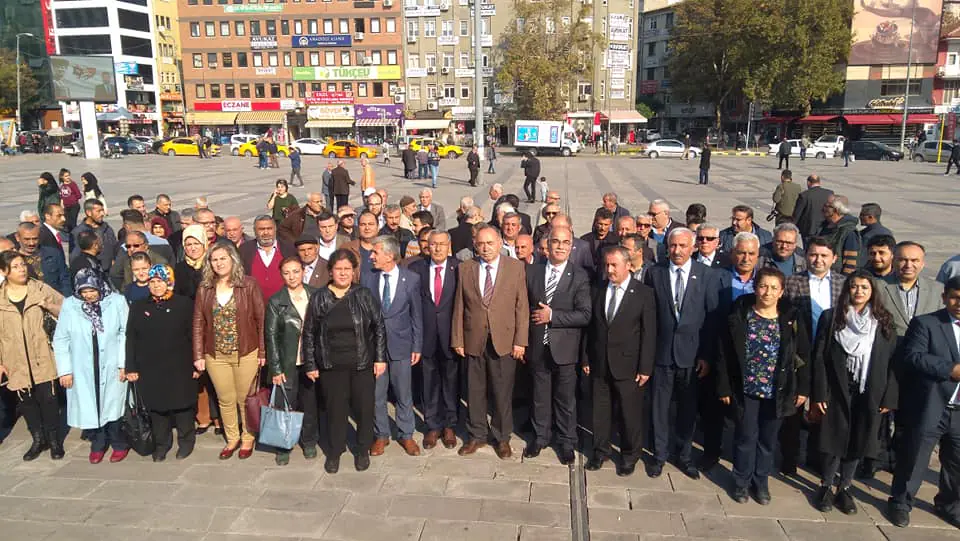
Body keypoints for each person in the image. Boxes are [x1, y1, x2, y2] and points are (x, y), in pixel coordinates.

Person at [716, 267, 810, 504]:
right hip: (745, 389)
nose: (767, 292)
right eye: (763, 286)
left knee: (768, 440)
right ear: (755, 288)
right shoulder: (740, 314)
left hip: (776, 389)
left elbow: (804, 354)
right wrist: (724, 387)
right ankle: (740, 482)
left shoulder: (790, 318)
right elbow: (724, 353)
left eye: (773, 288)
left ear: (781, 292)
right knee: (746, 436)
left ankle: (761, 482)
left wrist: (802, 389)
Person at [812, 271, 897, 515]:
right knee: (833, 439)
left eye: (864, 287)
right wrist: (819, 394)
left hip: (868, 389)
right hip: (837, 388)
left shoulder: (882, 321)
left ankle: (845, 487)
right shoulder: (832, 318)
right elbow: (819, 357)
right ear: (847, 289)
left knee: (858, 440)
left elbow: (892, 362)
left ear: (872, 293)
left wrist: (888, 396)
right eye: (854, 286)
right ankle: (826, 485)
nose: (859, 291)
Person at [643, 227, 721, 479]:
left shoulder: (707, 275)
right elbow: (648, 316)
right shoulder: (655, 273)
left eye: (682, 246)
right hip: (662, 353)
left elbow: (711, 319)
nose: (676, 251)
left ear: (694, 247)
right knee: (659, 408)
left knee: (688, 410)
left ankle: (685, 455)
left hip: (692, 355)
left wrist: (706, 356)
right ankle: (659, 455)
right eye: (672, 246)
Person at [301, 249, 386, 473]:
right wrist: (310, 363)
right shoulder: (320, 297)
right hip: (331, 366)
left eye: (347, 269)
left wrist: (380, 358)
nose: (343, 273)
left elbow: (378, 326)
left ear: (354, 271)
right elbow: (309, 332)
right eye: (338, 269)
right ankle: (335, 451)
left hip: (362, 363)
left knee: (364, 409)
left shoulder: (364, 294)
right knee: (335, 410)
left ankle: (362, 449)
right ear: (330, 271)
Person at [887, 275, 960, 528]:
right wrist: (950, 369)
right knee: (915, 457)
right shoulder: (927, 323)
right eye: (954, 297)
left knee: (956, 463)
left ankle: (949, 504)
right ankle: (900, 502)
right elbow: (914, 356)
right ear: (944, 297)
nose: (959, 303)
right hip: (933, 404)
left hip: (959, 411)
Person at [452, 225, 529, 458]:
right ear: (475, 245)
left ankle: (502, 437)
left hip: (504, 339)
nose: (485, 248)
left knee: (502, 391)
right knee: (475, 390)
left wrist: (520, 341)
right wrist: (458, 338)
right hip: (473, 337)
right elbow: (459, 305)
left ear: (499, 243)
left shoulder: (515, 268)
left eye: (490, 243)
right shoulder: (466, 268)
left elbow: (521, 307)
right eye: (481, 244)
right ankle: (477, 435)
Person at [525, 226, 593, 465]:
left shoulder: (580, 275)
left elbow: (585, 314)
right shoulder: (532, 272)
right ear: (547, 245)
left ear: (572, 245)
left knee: (565, 399)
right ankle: (541, 437)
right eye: (556, 242)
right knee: (540, 397)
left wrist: (553, 316)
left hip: (565, 349)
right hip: (537, 347)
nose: (561, 246)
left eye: (566, 242)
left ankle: (567, 441)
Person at [192, 242, 266, 460]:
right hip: (215, 355)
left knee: (245, 398)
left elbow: (261, 319)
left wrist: (262, 352)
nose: (219, 263)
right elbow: (198, 323)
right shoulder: (205, 288)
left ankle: (247, 437)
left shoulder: (248, 285)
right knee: (225, 398)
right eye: (214, 259)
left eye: (223, 258)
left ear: (233, 259)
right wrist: (198, 355)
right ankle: (232, 437)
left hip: (246, 352)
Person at [779, 237, 845, 475]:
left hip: (829, 354)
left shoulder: (842, 283)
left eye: (824, 255)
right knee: (794, 407)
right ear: (806, 256)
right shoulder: (792, 282)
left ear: (834, 259)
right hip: (799, 353)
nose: (818, 260)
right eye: (814, 255)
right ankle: (789, 459)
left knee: (824, 405)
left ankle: (818, 458)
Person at [54, 269, 131, 463]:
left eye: (92, 290)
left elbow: (125, 333)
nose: (88, 295)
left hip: (111, 362)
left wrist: (123, 364)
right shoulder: (71, 305)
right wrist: (65, 370)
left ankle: (118, 442)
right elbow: (61, 338)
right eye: (84, 291)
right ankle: (98, 443)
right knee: (90, 404)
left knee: (113, 405)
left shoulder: (116, 302)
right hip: (82, 365)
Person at [125, 264, 198, 461]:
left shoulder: (183, 304)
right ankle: (161, 444)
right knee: (157, 409)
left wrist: (196, 363)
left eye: (161, 281)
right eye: (153, 281)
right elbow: (131, 337)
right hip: (150, 366)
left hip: (179, 364)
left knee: (182, 407)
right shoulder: (139, 306)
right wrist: (130, 366)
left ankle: (186, 442)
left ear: (169, 282)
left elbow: (193, 335)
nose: (156, 285)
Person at [0, 251, 65, 461]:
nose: (21, 269)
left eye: (22, 265)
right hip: (15, 359)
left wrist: (49, 305)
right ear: (4, 272)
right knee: (26, 402)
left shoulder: (39, 288)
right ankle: (38, 439)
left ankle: (54, 440)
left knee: (49, 399)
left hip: (43, 355)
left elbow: (67, 309)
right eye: (16, 266)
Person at [363, 236, 423, 457]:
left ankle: (406, 434)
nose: (371, 256)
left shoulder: (411, 279)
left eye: (375, 252)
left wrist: (417, 345)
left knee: (403, 392)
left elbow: (416, 315)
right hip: (375, 348)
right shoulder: (368, 278)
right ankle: (381, 435)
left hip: (402, 345)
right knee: (377, 393)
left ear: (389, 255)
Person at [264, 257, 316, 465]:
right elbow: (271, 336)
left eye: (295, 271)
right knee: (286, 404)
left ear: (303, 271)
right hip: (288, 361)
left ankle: (309, 440)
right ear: (281, 275)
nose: (292, 276)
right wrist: (276, 368)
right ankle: (283, 444)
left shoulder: (314, 294)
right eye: (287, 273)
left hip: (311, 360)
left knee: (309, 403)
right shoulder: (276, 301)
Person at [409, 231, 459, 448]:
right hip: (426, 335)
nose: (437, 248)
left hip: (451, 336)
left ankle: (450, 424)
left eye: (442, 244)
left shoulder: (459, 268)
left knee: (451, 381)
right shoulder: (416, 269)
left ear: (449, 246)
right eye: (433, 245)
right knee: (428, 382)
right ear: (427, 247)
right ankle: (432, 425)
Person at [239, 215, 295, 301]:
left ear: (275, 229)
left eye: (269, 228)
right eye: (261, 229)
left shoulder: (289, 249)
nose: (266, 233)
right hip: (254, 304)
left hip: (283, 305)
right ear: (254, 231)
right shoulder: (244, 250)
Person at [16, 221, 71, 296]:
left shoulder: (53, 254)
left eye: (35, 239)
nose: (31, 243)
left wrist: (66, 300)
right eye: (27, 239)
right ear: (17, 237)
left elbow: (65, 278)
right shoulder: (13, 259)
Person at [71, 199, 119, 273]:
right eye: (98, 211)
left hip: (110, 272)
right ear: (89, 213)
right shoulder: (79, 232)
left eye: (102, 210)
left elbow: (115, 247)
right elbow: (74, 257)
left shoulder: (107, 228)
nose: (102, 213)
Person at [818, 195, 860, 275]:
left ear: (836, 210)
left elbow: (850, 262)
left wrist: (844, 282)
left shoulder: (849, 232)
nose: (823, 208)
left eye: (827, 206)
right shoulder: (824, 227)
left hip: (836, 278)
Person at [793, 174, 834, 243]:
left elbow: (797, 214)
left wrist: (793, 226)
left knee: (808, 250)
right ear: (819, 182)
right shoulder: (829, 193)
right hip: (825, 228)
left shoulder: (804, 195)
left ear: (808, 182)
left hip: (808, 229)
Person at [57, 169, 83, 233]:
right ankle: (70, 235)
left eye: (68, 175)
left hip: (74, 206)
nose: (68, 177)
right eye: (66, 176)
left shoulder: (72, 184)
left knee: (72, 222)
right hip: (66, 207)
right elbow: (61, 197)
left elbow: (79, 195)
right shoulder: (61, 186)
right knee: (66, 222)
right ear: (62, 177)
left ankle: (75, 235)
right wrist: (61, 205)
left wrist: (73, 199)